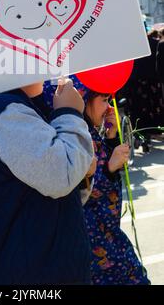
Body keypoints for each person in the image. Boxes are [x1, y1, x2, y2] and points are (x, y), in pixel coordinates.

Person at [0, 78, 95, 285]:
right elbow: (61, 175)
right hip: (31, 271)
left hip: (34, 263)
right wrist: (70, 113)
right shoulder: (8, 112)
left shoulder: (12, 105)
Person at [43, 78, 150, 285]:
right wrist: (109, 168)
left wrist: (111, 139)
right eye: (104, 100)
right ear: (82, 101)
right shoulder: (78, 139)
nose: (109, 107)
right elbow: (86, 192)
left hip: (106, 236)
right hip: (94, 244)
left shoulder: (88, 133)